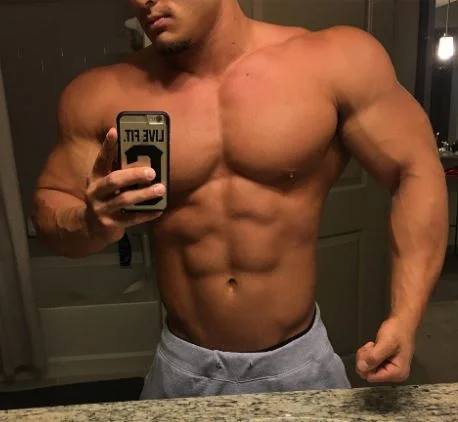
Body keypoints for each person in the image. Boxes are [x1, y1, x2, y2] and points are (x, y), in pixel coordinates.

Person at [32, 0, 448, 399]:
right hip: (183, 367)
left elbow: (414, 168)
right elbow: (52, 206)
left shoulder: (335, 61)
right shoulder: (100, 94)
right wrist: (89, 223)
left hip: (301, 363)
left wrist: (406, 318)